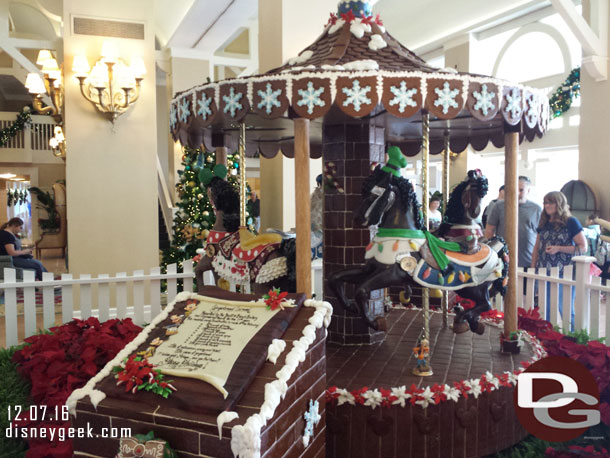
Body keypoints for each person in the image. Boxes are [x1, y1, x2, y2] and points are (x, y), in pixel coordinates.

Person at [530, 191, 587, 325]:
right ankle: (548, 337)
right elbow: (537, 247)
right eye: (545, 202)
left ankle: (574, 338)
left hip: (564, 273)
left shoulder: (571, 222)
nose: (547, 205)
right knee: (545, 309)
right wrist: (533, 269)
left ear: (559, 203)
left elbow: (583, 247)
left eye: (551, 202)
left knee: (565, 308)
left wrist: (559, 248)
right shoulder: (544, 222)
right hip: (544, 271)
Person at [484, 176, 541, 268]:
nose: (517, 193)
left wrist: (535, 261)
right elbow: (489, 231)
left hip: (528, 262)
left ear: (528, 190)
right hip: (503, 261)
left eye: (521, 190)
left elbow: (540, 237)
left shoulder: (536, 209)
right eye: (515, 189)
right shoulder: (498, 206)